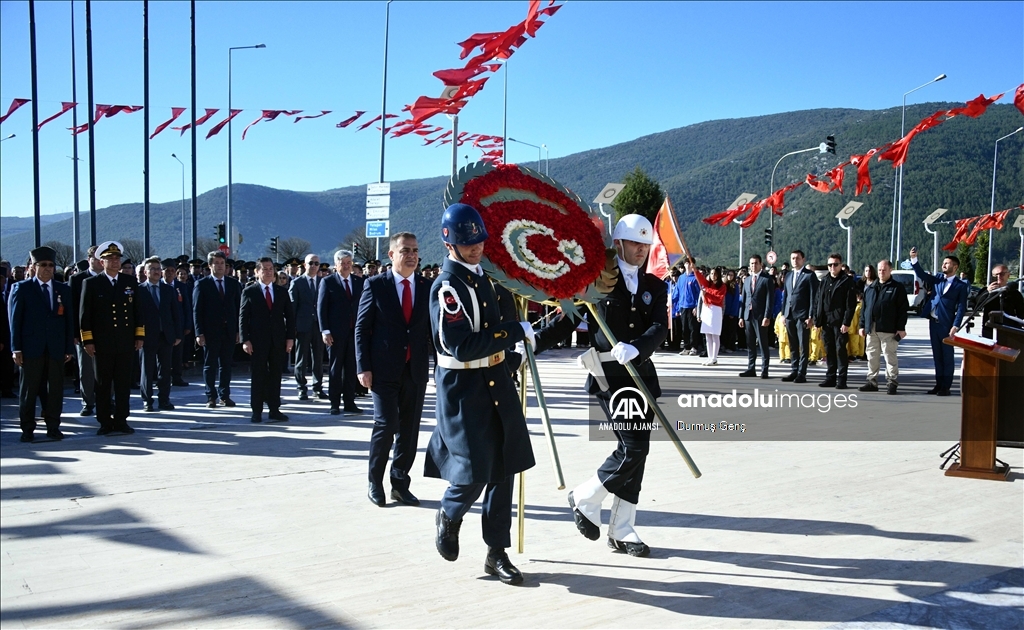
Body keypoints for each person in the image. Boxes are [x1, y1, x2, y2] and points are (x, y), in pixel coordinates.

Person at [428, 203, 568, 585]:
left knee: (504, 467)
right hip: (464, 388)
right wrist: (512, 332)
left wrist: (512, 351)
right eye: (467, 243)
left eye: (479, 242)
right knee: (474, 470)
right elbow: (460, 345)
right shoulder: (448, 288)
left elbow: (498, 327)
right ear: (450, 242)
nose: (476, 249)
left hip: (495, 379)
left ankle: (496, 552)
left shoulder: (484, 279)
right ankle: (450, 512)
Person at [566, 213, 666, 559]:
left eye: (645, 244)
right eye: (635, 243)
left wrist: (638, 347)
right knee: (634, 447)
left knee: (639, 453)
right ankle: (585, 496)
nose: (641, 250)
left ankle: (623, 528)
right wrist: (533, 339)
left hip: (641, 374)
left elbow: (659, 328)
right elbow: (571, 316)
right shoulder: (599, 281)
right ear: (619, 244)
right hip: (611, 377)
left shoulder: (656, 286)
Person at [357, 232, 432, 507]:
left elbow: (433, 331)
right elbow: (362, 328)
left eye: (415, 250)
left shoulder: (427, 286)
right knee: (386, 424)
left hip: (415, 369)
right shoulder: (376, 285)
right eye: (405, 250)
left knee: (409, 431)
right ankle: (374, 481)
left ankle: (400, 483)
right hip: (383, 370)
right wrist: (363, 366)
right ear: (392, 255)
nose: (411, 255)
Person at [8, 247, 75, 442]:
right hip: (31, 347)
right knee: (29, 389)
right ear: (34, 267)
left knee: (55, 390)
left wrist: (68, 348)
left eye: (51, 265)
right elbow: (15, 320)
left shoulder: (63, 289)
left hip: (55, 347)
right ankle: (27, 428)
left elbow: (69, 321)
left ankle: (53, 426)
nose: (47, 269)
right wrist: (16, 348)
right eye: (43, 265)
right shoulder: (22, 288)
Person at [79, 241, 145, 435]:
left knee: (123, 383)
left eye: (117, 258)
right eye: (110, 259)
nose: (115, 262)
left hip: (125, 341)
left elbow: (137, 312)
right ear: (101, 262)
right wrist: (88, 341)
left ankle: (122, 419)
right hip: (102, 343)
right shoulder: (91, 283)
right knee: (103, 384)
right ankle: (105, 421)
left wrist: (139, 335)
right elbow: (85, 316)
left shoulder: (130, 282)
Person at [240, 258, 296, 423]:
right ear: (257, 272)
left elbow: (290, 317)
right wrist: (245, 340)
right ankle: (256, 410)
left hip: (278, 340)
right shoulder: (250, 291)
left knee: (276, 375)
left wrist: (290, 338)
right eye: (264, 269)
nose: (268, 272)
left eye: (271, 269)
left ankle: (274, 409)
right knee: (258, 375)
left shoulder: (281, 291)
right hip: (257, 341)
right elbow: (243, 318)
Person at [910, 247, 968, 396]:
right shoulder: (937, 279)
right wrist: (914, 259)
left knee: (947, 356)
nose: (944, 265)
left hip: (946, 324)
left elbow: (961, 307)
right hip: (933, 323)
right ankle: (938, 384)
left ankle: (946, 387)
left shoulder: (960, 286)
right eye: (943, 263)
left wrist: (956, 325)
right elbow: (921, 274)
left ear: (955, 267)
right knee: (937, 356)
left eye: (947, 263)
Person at [193, 251, 242, 408]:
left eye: (222, 263)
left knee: (226, 365)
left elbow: (239, 309)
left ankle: (225, 395)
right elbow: (197, 310)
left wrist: (238, 331)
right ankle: (210, 396)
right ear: (210, 265)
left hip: (228, 331)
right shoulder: (202, 284)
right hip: (210, 332)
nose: (220, 266)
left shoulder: (233, 284)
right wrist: (199, 333)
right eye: (216, 263)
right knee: (210, 364)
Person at [318, 249, 364, 415]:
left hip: (354, 332)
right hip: (335, 333)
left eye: (348, 263)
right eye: (342, 263)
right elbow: (321, 308)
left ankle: (350, 402)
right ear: (336, 265)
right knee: (336, 368)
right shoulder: (328, 282)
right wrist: (325, 330)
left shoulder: (359, 282)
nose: (346, 266)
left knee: (351, 367)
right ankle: (334, 403)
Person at [138, 257, 181, 412]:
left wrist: (177, 334)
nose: (156, 271)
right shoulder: (139, 290)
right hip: (147, 337)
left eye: (158, 268)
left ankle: (164, 400)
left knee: (165, 370)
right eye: (152, 269)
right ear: (145, 272)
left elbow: (176, 313)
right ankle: (147, 400)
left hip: (166, 335)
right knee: (147, 370)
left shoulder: (168, 290)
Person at [859, 260, 908, 394]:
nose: (881, 272)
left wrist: (901, 327)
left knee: (889, 355)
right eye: (879, 270)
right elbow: (865, 309)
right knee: (872, 355)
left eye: (884, 270)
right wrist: (862, 325)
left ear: (890, 270)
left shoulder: (897, 288)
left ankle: (892, 382)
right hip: (872, 327)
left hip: (888, 328)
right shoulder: (871, 287)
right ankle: (872, 381)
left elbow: (903, 310)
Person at [814, 253, 857, 389]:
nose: (832, 267)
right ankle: (830, 377)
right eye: (830, 265)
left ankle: (842, 379)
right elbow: (817, 301)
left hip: (839, 322)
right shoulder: (824, 281)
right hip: (826, 321)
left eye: (835, 264)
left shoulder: (846, 281)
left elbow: (851, 305)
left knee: (840, 350)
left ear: (841, 265)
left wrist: (846, 322)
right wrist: (817, 320)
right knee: (829, 350)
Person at [70, 246, 104, 416]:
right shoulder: (77, 279)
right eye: (96, 258)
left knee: (108, 368)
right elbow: (73, 308)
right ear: (89, 259)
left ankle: (107, 399)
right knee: (87, 369)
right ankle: (88, 402)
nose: (99, 261)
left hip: (107, 332)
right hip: (86, 331)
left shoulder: (110, 278)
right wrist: (75, 333)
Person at [290, 253, 326, 401]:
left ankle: (317, 388)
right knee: (301, 359)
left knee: (318, 359)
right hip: (302, 326)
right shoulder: (297, 283)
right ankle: (301, 388)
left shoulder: (323, 282)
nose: (314, 266)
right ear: (305, 265)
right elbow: (292, 307)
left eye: (316, 264)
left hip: (318, 326)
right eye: (311, 263)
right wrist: (292, 327)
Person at [781, 250, 819, 383]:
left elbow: (813, 297)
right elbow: (785, 297)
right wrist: (783, 314)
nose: (794, 260)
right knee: (793, 345)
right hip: (790, 315)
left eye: (797, 258)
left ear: (803, 259)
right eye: (792, 258)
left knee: (803, 345)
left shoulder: (810, 276)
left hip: (803, 316)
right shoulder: (789, 275)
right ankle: (794, 370)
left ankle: (802, 373)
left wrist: (811, 316)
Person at [738, 255, 773, 379]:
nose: (753, 265)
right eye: (752, 263)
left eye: (756, 263)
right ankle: (751, 368)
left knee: (763, 343)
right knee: (750, 343)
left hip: (760, 316)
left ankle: (764, 369)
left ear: (761, 264)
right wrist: (741, 316)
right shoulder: (747, 280)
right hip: (748, 315)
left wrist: (767, 316)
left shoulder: (766, 279)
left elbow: (770, 299)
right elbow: (744, 299)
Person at [978, 264, 1024, 339]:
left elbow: (1021, 314)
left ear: (1008, 275)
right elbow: (977, 305)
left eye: (1002, 274)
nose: (999, 277)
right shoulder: (985, 291)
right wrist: (988, 292)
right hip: (989, 330)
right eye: (996, 275)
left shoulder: (1015, 294)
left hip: (1009, 331)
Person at [692, 263, 726, 365]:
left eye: (715, 274)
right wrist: (695, 271)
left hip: (716, 310)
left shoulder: (722, 286)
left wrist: (708, 293)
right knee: (707, 335)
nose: (713, 275)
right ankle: (710, 356)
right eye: (711, 273)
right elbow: (701, 279)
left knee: (715, 335)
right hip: (707, 309)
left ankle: (714, 357)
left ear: (718, 275)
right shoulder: (708, 284)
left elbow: (719, 298)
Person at [678, 259, 703, 356]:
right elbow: (677, 292)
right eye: (687, 263)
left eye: (690, 263)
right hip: (683, 306)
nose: (688, 265)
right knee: (684, 328)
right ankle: (686, 347)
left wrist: (697, 306)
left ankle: (694, 347)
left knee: (693, 327)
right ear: (684, 265)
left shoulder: (696, 278)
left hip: (692, 306)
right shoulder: (681, 278)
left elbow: (699, 294)